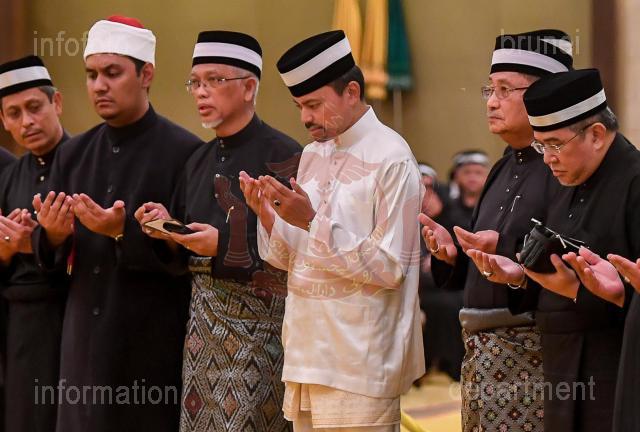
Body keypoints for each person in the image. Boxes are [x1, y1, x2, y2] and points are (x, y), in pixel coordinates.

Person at [240, 30, 424, 431]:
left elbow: (391, 267)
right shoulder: (312, 154)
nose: (305, 118)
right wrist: (270, 217)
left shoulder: (392, 158)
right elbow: (293, 259)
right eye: (299, 106)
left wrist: (310, 220)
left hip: (361, 360)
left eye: (314, 105)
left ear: (352, 92)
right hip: (308, 353)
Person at [31, 16, 202, 432]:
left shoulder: (184, 152)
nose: (99, 86)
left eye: (112, 73)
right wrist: (52, 236)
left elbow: (187, 254)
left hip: (147, 345)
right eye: (91, 75)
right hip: (81, 345)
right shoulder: (72, 155)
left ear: (146, 75)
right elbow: (52, 262)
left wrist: (124, 232)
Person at [135, 30, 300, 432]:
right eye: (195, 82)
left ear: (249, 88)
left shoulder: (286, 157)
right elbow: (185, 254)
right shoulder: (196, 160)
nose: (201, 92)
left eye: (214, 80)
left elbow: (300, 253)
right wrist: (167, 231)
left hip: (264, 335)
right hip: (202, 337)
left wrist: (222, 245)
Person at [469, 68, 639, 431]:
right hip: (559, 366)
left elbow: (626, 290)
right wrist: (520, 277)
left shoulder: (635, 184)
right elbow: (558, 271)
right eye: (541, 146)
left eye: (555, 145)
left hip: (618, 372)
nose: (547, 159)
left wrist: (596, 293)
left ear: (596, 135)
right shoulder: (567, 180)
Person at [420, 30, 572, 432]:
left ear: (541, 95)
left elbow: (566, 257)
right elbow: (485, 260)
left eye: (505, 90)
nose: (490, 101)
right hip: (479, 349)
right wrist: (452, 255)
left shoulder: (561, 168)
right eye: (490, 89)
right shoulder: (503, 166)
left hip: (530, 352)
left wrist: (506, 254)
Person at [0, 55, 68, 432]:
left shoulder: (84, 161)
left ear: (56, 103)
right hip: (19, 326)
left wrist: (38, 242)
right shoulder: (9, 176)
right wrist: (7, 249)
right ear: (4, 121)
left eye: (34, 107)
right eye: (14, 113)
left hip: (71, 317)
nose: (26, 121)